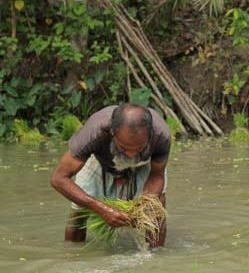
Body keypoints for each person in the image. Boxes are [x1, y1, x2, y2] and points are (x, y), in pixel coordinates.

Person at [50, 104, 171, 248]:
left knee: (155, 210)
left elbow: (157, 175)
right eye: (124, 148)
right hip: (102, 161)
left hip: (144, 164)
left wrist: (143, 206)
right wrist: (100, 208)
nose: (130, 154)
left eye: (138, 148)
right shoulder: (94, 133)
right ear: (112, 132)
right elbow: (58, 179)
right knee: (79, 213)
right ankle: (72, 254)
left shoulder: (161, 135)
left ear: (150, 135)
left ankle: (155, 260)